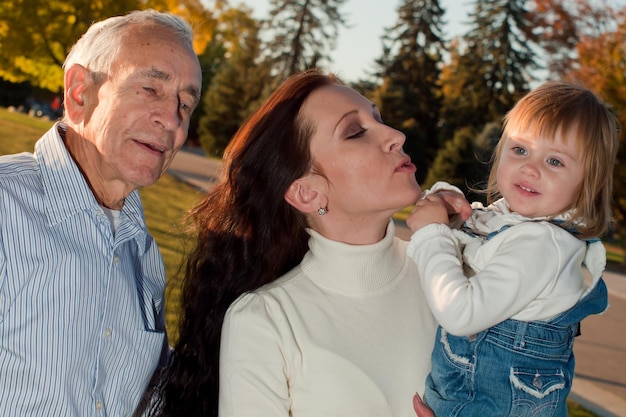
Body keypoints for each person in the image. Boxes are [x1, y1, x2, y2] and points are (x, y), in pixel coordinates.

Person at [151, 69, 470, 417]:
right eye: (356, 132)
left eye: (379, 119)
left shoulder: (449, 274)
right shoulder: (266, 322)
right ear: (307, 192)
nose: (396, 135)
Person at [0, 9, 201, 417]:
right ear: (79, 92)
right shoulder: (6, 207)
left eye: (185, 103)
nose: (172, 120)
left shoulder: (142, 252)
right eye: (150, 88)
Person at [406, 81, 619, 417]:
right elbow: (480, 239)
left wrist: (434, 234)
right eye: (520, 150)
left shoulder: (542, 244)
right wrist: (450, 207)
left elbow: (461, 313)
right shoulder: (517, 224)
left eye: (554, 161)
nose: (530, 168)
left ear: (587, 183)